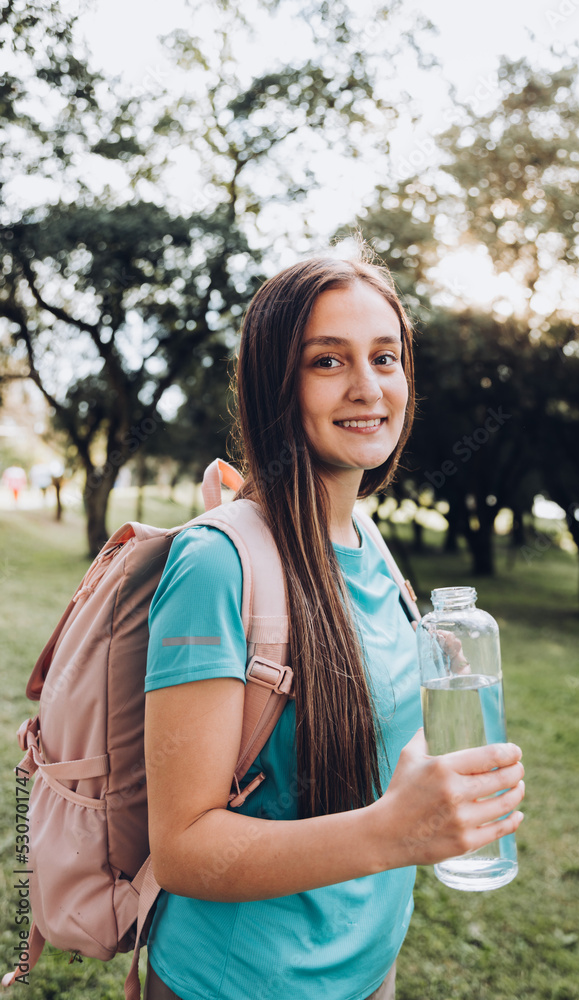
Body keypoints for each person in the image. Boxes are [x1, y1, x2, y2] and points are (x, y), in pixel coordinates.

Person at [143, 255, 525, 1000]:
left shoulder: (368, 543)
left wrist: (427, 759)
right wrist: (395, 832)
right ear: (273, 385)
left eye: (385, 357)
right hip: (239, 983)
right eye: (328, 361)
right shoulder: (218, 564)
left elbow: (381, 758)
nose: (367, 387)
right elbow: (184, 851)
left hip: (369, 964)